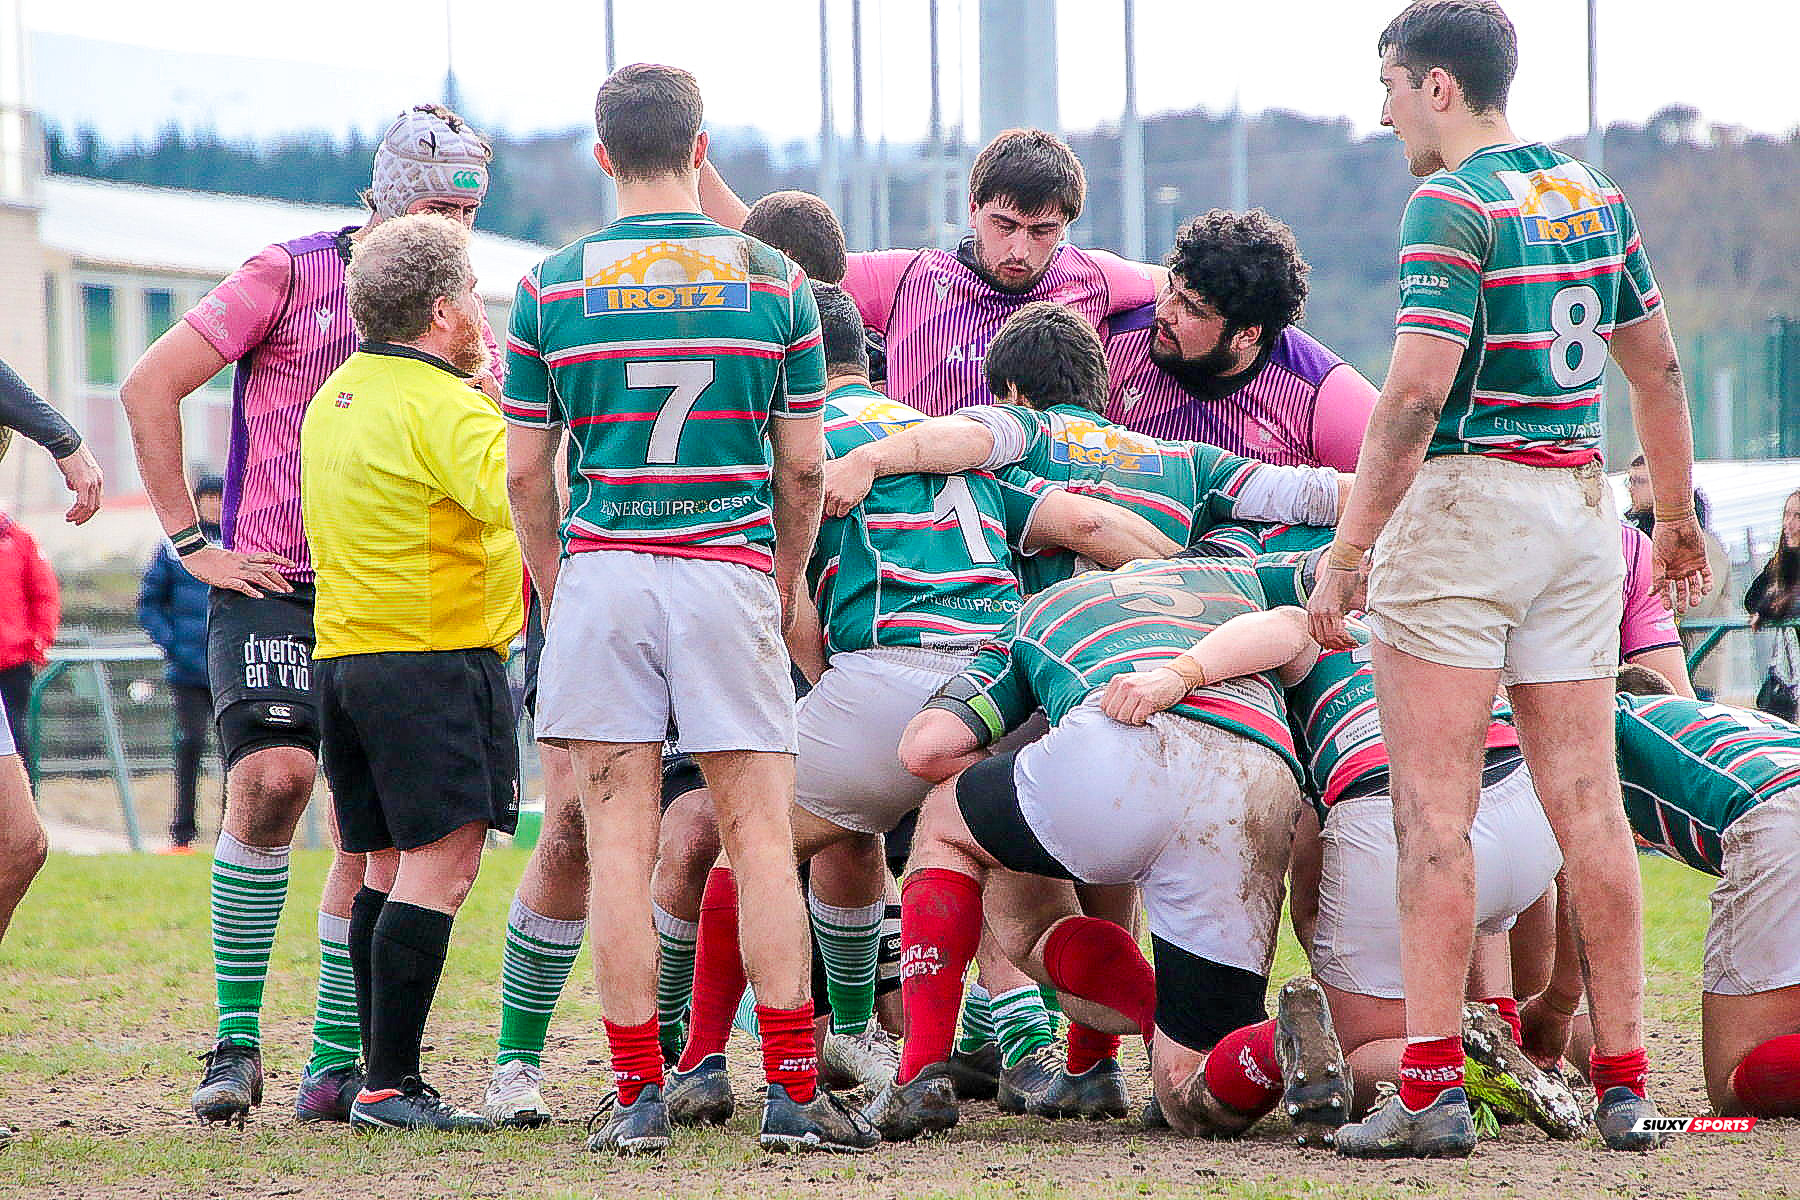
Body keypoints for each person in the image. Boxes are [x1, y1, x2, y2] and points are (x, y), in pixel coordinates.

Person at [1307, 0, 1711, 1157]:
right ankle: (1625, 1083)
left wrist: (1349, 551)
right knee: (1589, 805)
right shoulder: (1596, 196)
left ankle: (1430, 1091)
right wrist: (1673, 518)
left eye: (1389, 85)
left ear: (1438, 86)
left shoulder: (1451, 202)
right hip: (1580, 507)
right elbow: (1658, 371)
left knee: (1434, 813)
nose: (1384, 112)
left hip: (1466, 504)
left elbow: (1414, 395)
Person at [659, 284, 1179, 1124]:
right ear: (866, 362)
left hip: (888, 674)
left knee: (749, 847)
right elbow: (1091, 528)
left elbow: (784, 597)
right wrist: (1185, 586)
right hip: (1003, 686)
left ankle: (702, 1064)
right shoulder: (949, 438)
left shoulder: (788, 438)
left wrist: (832, 683)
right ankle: (1198, 1036)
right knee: (1032, 923)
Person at [504, 63, 877, 1156]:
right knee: (759, 839)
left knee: (617, 847)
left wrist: (562, 587)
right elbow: (802, 467)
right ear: (700, 148)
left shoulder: (547, 287)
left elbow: (526, 476)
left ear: (602, 155)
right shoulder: (776, 282)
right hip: (728, 569)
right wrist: (783, 578)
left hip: (606, 573)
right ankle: (793, 1094)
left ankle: (636, 1098)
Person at [118, 102, 504, 1126]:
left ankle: (336, 1066)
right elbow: (150, 384)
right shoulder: (286, 273)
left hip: (384, 601)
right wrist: (190, 542)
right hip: (271, 583)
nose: (456, 228)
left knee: (369, 837)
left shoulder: (453, 315)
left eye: (468, 212)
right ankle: (235, 1042)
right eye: (438, 209)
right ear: (386, 198)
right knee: (272, 780)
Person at [869, 555, 1316, 1141]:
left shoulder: (1042, 608)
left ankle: (920, 1075)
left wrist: (1027, 792)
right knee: (1190, 1090)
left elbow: (926, 748)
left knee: (947, 824)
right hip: (1259, 777)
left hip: (1118, 744)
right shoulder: (1242, 575)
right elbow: (1334, 590)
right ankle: (1280, 1041)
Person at [1110, 601, 1582, 1140]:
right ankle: (1499, 1032)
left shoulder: (1313, 633)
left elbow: (1281, 627)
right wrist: (1555, 1002)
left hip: (1390, 805)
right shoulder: (1438, 616)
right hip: (1522, 799)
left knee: (1346, 1060)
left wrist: (1181, 674)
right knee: (1471, 904)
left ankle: (1465, 1066)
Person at [300, 213, 519, 1131]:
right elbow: (523, 497)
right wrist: (510, 412)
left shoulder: (336, 394)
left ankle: (373, 1077)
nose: (480, 312)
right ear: (442, 311)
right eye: (472, 295)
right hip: (433, 658)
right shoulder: (446, 406)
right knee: (444, 865)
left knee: (384, 866)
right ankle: (392, 1086)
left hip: (346, 658)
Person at [825, 300, 1345, 597]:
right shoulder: (1193, 461)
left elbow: (973, 438)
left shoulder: (1026, 433)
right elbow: (1317, 494)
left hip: (1071, 656)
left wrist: (868, 459)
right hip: (1184, 643)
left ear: (1013, 393)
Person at [700, 129, 1163, 415]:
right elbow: (772, 251)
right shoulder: (909, 277)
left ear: (1066, 226)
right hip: (938, 515)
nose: (1020, 249)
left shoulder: (1095, 275)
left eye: (1043, 231)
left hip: (1048, 511)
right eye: (1004, 225)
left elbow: (1185, 286)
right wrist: (687, 157)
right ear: (973, 208)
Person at [1522, 666, 1800, 1118]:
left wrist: (1556, 1006)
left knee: (1733, 1081)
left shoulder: (1603, 721)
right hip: (1783, 799)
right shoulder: (1735, 724)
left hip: (1779, 818)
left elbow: (1589, 883)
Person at [1102, 210, 1377, 470]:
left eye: (1191, 308)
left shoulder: (1323, 398)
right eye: (1171, 288)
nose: (1163, 313)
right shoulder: (1111, 342)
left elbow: (1394, 483)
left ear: (1246, 335)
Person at [0, 355, 100, 952]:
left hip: (10, 665)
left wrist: (34, 645)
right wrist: (66, 443)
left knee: (21, 844)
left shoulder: (15, 539)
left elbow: (42, 596)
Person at [138, 475, 225, 852]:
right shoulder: (175, 548)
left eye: (219, 498)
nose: (214, 505)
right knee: (190, 745)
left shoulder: (240, 543)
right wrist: (172, 644)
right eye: (208, 498)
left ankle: (231, 835)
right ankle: (183, 834)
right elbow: (149, 603)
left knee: (234, 753)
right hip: (187, 670)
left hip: (229, 670)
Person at [0, 510, 58, 772]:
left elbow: (44, 595)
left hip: (13, 661)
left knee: (13, 737)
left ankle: (21, 795)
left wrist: (39, 643)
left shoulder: (20, 541)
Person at [1745, 489, 1800, 721]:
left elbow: (1793, 606)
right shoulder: (1783, 562)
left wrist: (1771, 608)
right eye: (1786, 515)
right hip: (1791, 673)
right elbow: (1751, 598)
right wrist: (1766, 606)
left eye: (1797, 516)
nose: (1789, 524)